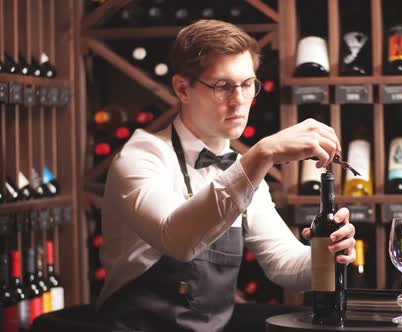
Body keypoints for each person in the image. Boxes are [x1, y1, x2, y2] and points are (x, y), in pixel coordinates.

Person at [96, 19, 357, 332]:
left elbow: (283, 264)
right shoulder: (141, 157)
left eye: (247, 84)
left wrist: (326, 253)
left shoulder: (242, 169)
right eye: (222, 86)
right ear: (182, 88)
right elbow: (176, 238)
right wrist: (262, 154)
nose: (239, 99)